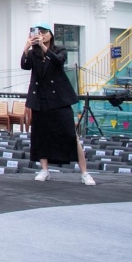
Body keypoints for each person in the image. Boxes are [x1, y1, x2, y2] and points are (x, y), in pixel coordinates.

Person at [21, 23, 94, 185]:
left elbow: (58, 61)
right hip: (40, 98)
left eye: (45, 32)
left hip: (59, 98)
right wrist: (27, 47)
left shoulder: (59, 49)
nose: (42, 35)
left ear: (51, 34)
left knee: (70, 135)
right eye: (38, 33)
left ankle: (85, 172)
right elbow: (25, 65)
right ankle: (44, 169)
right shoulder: (34, 53)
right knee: (41, 135)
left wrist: (43, 46)